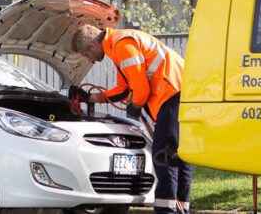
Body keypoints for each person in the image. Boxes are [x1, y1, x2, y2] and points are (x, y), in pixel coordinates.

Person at [70, 24, 193, 214]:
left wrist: (135, 106)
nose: (89, 60)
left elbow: (140, 90)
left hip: (171, 92)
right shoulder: (117, 44)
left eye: (86, 55)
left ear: (92, 46)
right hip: (180, 90)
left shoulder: (123, 45)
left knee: (164, 154)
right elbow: (124, 89)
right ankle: (181, 208)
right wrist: (91, 98)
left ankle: (168, 211)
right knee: (178, 154)